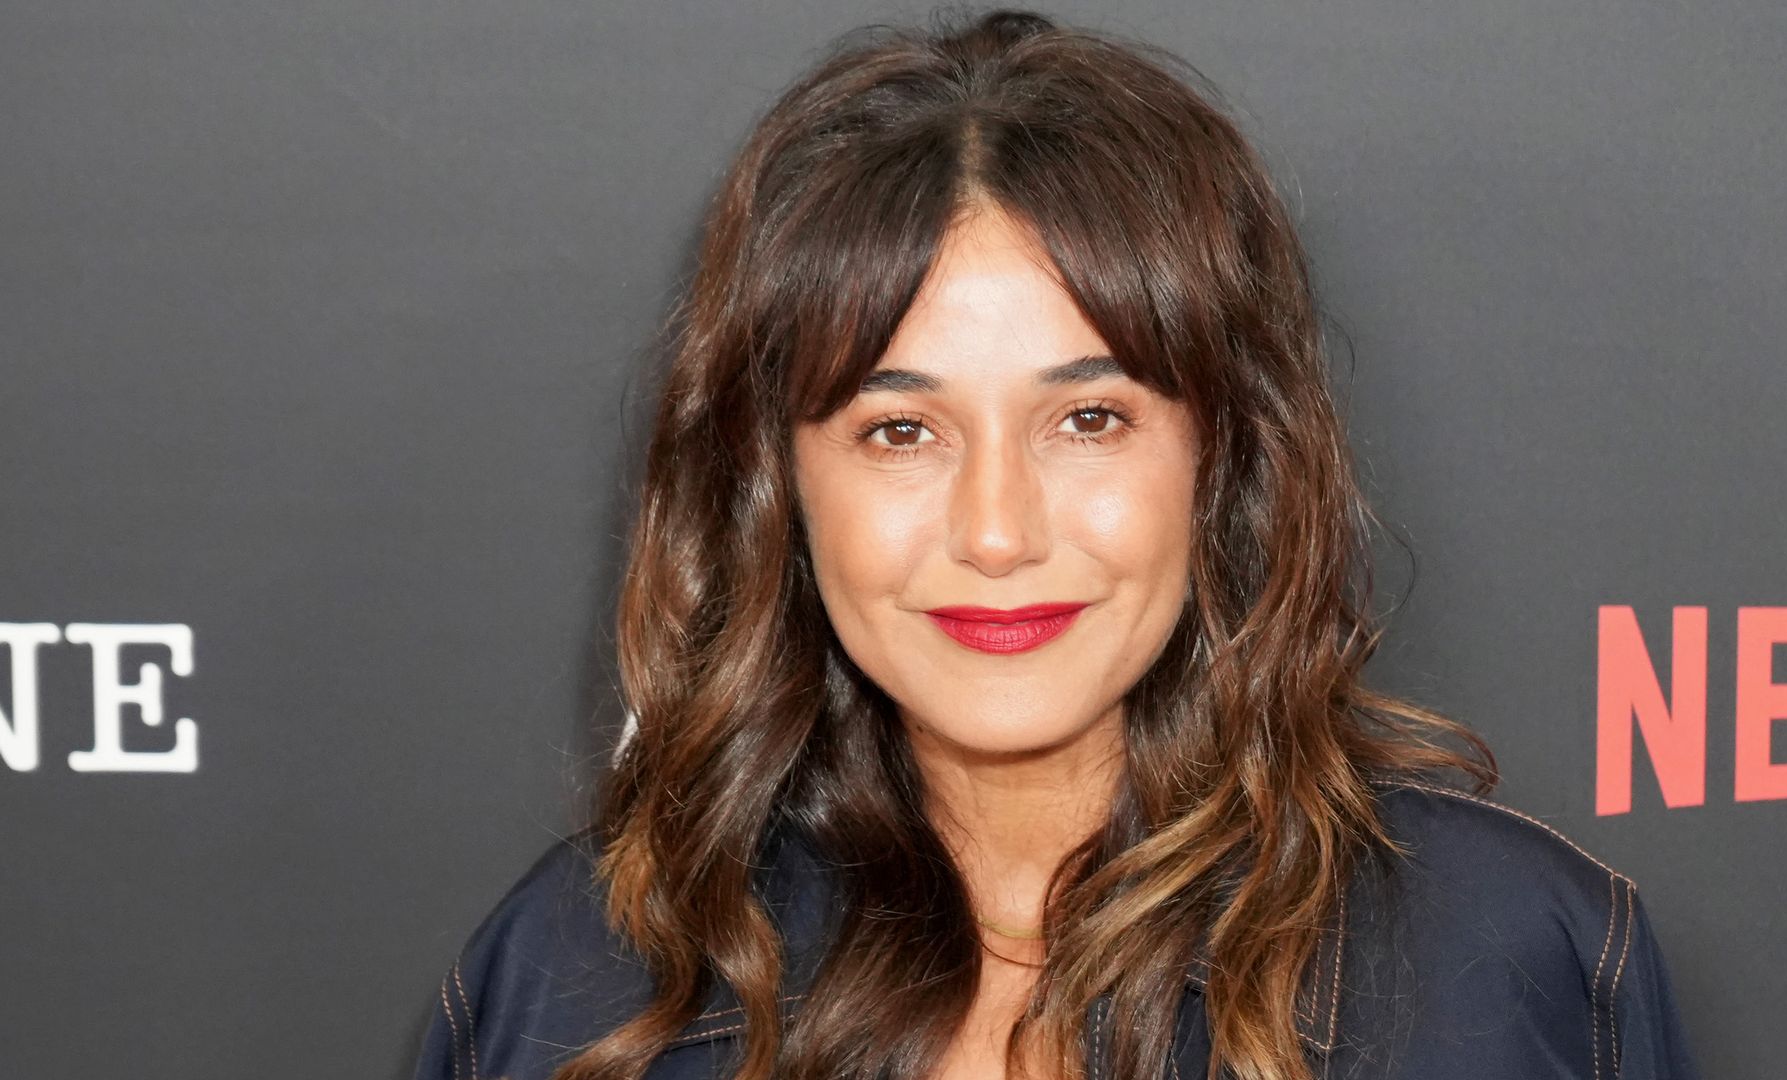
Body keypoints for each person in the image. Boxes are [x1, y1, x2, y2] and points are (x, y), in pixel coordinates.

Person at [411, 9, 1700, 1080]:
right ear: (778, 484)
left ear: (1223, 457)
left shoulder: (1511, 968)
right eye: (899, 431)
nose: (995, 531)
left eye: (1088, 418)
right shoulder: (579, 978)